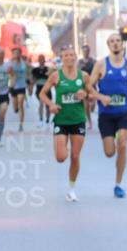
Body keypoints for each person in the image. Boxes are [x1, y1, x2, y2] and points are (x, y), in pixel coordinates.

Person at [89, 32, 127, 198]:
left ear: (122, 44)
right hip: (106, 114)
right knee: (110, 152)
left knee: (123, 144)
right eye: (112, 41)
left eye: (118, 41)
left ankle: (118, 184)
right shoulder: (101, 65)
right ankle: (110, 146)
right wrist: (100, 97)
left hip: (124, 112)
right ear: (108, 45)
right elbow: (88, 88)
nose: (115, 44)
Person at [39, 45, 93, 201]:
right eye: (66, 55)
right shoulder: (56, 76)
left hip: (78, 120)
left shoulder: (83, 76)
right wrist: (51, 105)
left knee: (75, 157)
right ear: (61, 58)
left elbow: (91, 94)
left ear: (75, 57)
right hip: (61, 120)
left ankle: (71, 189)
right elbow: (42, 94)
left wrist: (86, 94)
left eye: (72, 55)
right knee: (61, 157)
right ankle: (62, 146)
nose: (70, 57)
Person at [6, 47, 31, 132]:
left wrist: (29, 80)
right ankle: (16, 109)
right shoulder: (9, 64)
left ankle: (21, 124)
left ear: (20, 54)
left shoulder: (24, 64)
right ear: (13, 54)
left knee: (21, 104)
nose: (16, 54)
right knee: (15, 106)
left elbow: (30, 71)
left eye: (18, 53)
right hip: (13, 86)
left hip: (22, 86)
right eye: (15, 53)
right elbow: (6, 74)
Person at [77, 44, 97, 129]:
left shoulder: (93, 61)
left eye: (87, 51)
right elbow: (76, 72)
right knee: (86, 107)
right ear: (82, 52)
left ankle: (92, 106)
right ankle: (89, 122)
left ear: (89, 51)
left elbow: (97, 72)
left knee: (92, 106)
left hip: (92, 85)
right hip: (83, 86)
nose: (85, 52)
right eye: (84, 51)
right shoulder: (80, 62)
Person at [32, 54, 52, 126]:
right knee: (41, 103)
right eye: (40, 59)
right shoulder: (35, 70)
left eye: (42, 59)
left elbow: (51, 79)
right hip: (39, 89)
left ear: (44, 60)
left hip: (47, 89)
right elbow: (33, 79)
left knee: (48, 105)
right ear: (38, 60)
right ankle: (40, 118)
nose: (41, 61)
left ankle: (47, 119)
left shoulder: (48, 69)